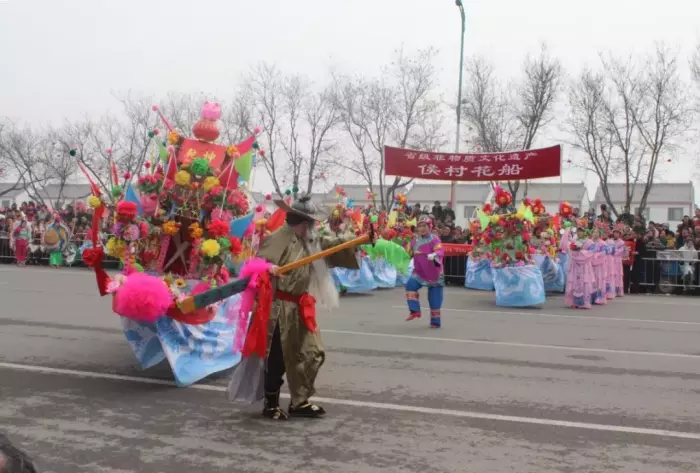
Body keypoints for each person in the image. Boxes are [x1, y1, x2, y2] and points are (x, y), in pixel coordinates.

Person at [232, 195, 364, 421]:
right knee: (277, 358)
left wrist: (360, 239)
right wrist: (268, 268)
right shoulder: (277, 239)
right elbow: (256, 268)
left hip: (300, 306)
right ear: (302, 222)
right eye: (310, 222)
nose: (313, 226)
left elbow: (334, 247)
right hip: (278, 309)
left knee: (311, 353)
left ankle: (299, 400)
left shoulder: (310, 241)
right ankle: (271, 403)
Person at [405, 217, 445, 328]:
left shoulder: (434, 239)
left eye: (424, 226)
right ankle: (415, 311)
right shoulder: (414, 241)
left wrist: (435, 254)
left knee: (434, 300)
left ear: (430, 227)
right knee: (410, 285)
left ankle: (435, 322)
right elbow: (408, 253)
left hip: (434, 273)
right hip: (419, 272)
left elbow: (440, 250)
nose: (422, 229)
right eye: (420, 226)